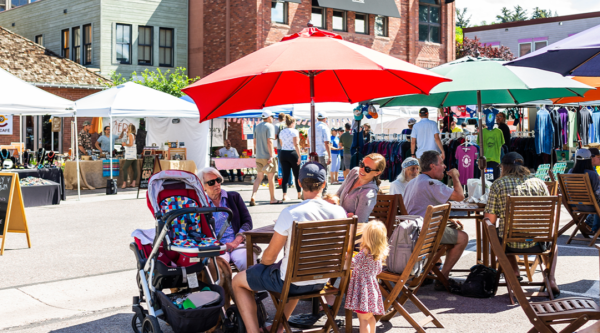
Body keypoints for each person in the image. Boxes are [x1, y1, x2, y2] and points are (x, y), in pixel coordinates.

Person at [232, 162, 346, 333]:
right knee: (291, 272)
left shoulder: (291, 213)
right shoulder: (339, 213)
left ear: (299, 183)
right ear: (323, 184)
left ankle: (253, 331)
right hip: (322, 281)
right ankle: (277, 328)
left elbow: (269, 257)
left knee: (238, 281)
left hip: (293, 282)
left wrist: (264, 262)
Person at [483, 152, 558, 294]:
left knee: (495, 231)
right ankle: (551, 278)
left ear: (504, 167)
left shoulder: (499, 184)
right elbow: (549, 215)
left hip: (510, 243)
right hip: (538, 243)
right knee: (554, 245)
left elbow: (490, 220)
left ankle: (514, 272)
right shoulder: (539, 183)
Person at [403, 150, 467, 288]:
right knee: (463, 237)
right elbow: (460, 196)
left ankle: (428, 271)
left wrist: (448, 220)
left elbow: (420, 207)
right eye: (441, 163)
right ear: (432, 166)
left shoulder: (412, 182)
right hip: (423, 233)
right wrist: (455, 176)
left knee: (453, 229)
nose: (444, 166)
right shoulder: (431, 183)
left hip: (410, 231)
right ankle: (442, 277)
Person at [198, 167, 255, 271]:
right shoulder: (200, 205)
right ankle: (225, 287)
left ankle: (244, 286)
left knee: (246, 260)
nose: (216, 184)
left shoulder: (234, 197)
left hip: (238, 244)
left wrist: (235, 242)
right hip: (216, 247)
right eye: (211, 182)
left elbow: (247, 222)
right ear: (202, 186)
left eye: (218, 180)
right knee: (216, 267)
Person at [345, 220, 388, 333]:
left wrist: (346, 256)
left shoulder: (364, 252)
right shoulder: (379, 253)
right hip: (372, 290)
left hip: (362, 290)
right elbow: (378, 270)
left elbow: (352, 262)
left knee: (362, 319)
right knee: (369, 317)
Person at [337, 153, 385, 222]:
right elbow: (338, 194)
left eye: (367, 169)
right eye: (362, 165)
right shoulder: (354, 172)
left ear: (377, 173)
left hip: (349, 230)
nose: (362, 169)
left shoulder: (368, 194)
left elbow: (359, 222)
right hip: (338, 223)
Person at [250, 110, 281, 206]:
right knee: (270, 178)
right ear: (268, 117)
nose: (273, 118)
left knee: (259, 177)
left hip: (259, 156)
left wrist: (257, 152)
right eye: (272, 116)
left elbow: (254, 142)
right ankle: (272, 198)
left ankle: (253, 196)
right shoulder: (270, 126)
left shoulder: (257, 126)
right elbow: (269, 141)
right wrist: (272, 155)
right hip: (268, 156)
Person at [569, 149, 600, 234]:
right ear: (589, 159)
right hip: (591, 206)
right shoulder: (591, 174)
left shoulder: (570, 172)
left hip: (576, 204)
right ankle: (596, 230)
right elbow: (597, 193)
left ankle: (592, 226)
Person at [278, 115, 302, 201]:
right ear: (292, 123)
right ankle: (299, 193)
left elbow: (281, 144)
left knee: (285, 175)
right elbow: (296, 144)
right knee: (297, 175)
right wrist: (299, 156)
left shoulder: (282, 132)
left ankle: (284, 195)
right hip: (292, 153)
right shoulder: (294, 131)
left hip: (283, 153)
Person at [308, 111, 331, 192]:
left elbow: (308, 142)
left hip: (313, 154)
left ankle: (315, 191)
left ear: (317, 118)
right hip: (322, 154)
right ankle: (324, 192)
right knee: (324, 174)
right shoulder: (325, 128)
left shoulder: (311, 128)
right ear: (325, 119)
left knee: (314, 174)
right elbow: (327, 143)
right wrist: (330, 156)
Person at [120, 124, 138, 188]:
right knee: (134, 169)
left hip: (130, 155)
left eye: (128, 128)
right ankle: (133, 182)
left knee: (124, 168)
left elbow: (130, 144)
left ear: (130, 128)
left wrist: (125, 144)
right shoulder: (133, 135)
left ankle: (124, 183)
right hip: (133, 154)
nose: (127, 128)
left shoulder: (131, 135)